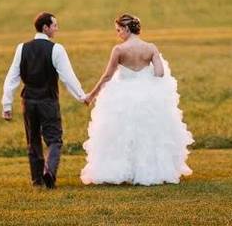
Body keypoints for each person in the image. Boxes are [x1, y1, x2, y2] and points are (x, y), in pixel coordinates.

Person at [80, 13, 193, 185]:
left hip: (123, 97)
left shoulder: (119, 50)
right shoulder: (151, 48)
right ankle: (150, 171)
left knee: (122, 135)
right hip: (147, 98)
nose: (118, 34)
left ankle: (123, 172)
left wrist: (91, 96)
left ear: (126, 29)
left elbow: (107, 76)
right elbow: (160, 73)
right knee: (147, 135)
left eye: (118, 30)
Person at [1, 12, 88, 188]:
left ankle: (36, 180)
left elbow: (12, 78)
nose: (57, 28)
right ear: (45, 27)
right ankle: (49, 172)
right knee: (54, 140)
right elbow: (67, 77)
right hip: (48, 101)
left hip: (28, 102)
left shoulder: (21, 48)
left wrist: (7, 104)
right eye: (54, 25)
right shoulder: (56, 49)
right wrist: (81, 96)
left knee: (32, 141)